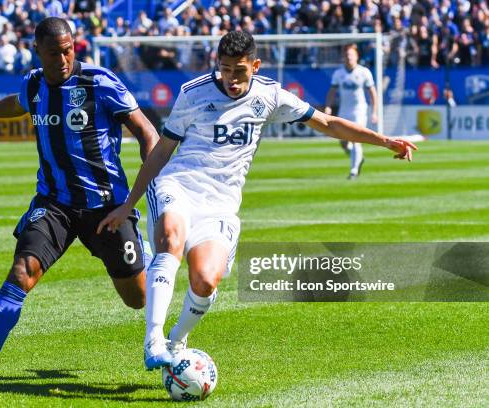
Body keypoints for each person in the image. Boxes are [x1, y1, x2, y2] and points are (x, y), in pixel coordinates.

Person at [97, 30, 417, 370]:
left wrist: (384, 141)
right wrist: (130, 203)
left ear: (256, 65)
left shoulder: (270, 96)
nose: (231, 78)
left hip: (221, 203)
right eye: (224, 69)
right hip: (179, 186)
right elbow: (163, 149)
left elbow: (328, 122)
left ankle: (176, 343)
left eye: (239, 70)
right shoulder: (192, 93)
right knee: (171, 240)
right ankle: (154, 342)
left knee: (205, 280)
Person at [0, 17, 159, 385]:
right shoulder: (34, 83)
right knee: (22, 272)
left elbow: (146, 131)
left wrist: (138, 195)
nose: (63, 59)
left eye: (68, 51)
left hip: (106, 207)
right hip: (54, 204)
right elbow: (16, 104)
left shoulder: (99, 82)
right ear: (38, 52)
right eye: (54, 53)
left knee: (137, 299)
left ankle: (140, 250)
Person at [325, 44, 379, 180]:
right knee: (343, 142)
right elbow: (332, 91)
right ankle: (358, 159)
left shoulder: (364, 72)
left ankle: (354, 171)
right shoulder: (339, 73)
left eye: (351, 55)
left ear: (357, 56)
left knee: (356, 139)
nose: (349, 57)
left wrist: (374, 112)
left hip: (359, 110)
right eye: (347, 55)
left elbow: (373, 93)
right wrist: (328, 106)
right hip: (344, 110)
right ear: (344, 57)